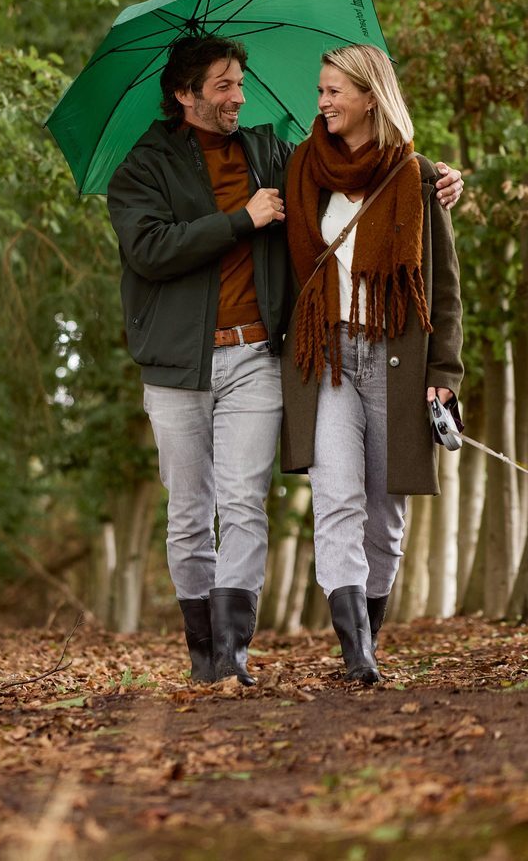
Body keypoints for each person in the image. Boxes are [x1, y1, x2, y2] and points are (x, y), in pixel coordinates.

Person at [106, 35, 461, 686]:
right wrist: (240, 220)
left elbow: (367, 166)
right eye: (223, 86)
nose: (239, 95)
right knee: (202, 511)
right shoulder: (143, 168)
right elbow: (149, 251)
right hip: (203, 362)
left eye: (241, 82)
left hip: (272, 356)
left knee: (262, 504)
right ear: (185, 95)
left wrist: (437, 174)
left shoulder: (270, 152)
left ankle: (246, 655)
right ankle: (214, 654)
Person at [279, 43, 464, 685]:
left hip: (395, 359)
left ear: (369, 97)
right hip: (325, 356)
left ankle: (371, 632)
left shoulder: (416, 176)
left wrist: (445, 377)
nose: (323, 101)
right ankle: (355, 653)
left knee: (386, 514)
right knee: (336, 499)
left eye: (335, 90)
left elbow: (443, 292)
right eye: (321, 90)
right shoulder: (301, 168)